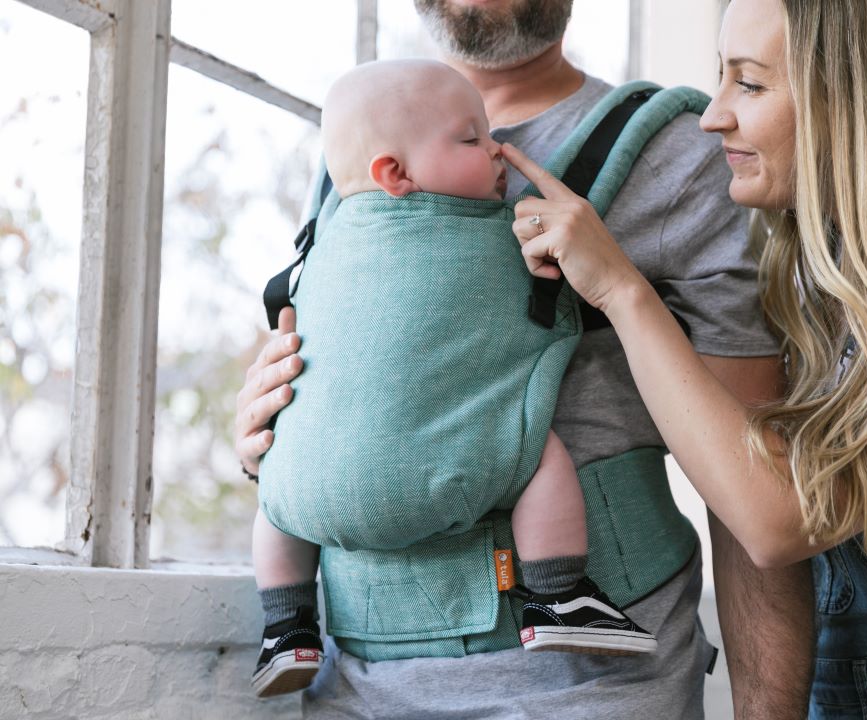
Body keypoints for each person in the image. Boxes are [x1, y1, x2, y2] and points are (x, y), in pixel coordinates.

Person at [235, 1, 815, 718]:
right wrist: (269, 432)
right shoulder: (346, 157)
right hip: (355, 684)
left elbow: (753, 482)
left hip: (591, 690)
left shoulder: (676, 152)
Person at [504, 0, 867, 716]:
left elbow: (784, 520)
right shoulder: (811, 253)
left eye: (749, 85)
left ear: (860, 95)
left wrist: (623, 291)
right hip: (849, 671)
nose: (713, 117)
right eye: (722, 79)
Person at [250, 58, 656, 699]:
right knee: (535, 450)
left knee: (279, 492)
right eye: (472, 140)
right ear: (395, 173)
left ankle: (286, 623)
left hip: (314, 485)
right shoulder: (504, 235)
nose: (499, 150)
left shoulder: (319, 251)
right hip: (445, 470)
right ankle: (559, 593)